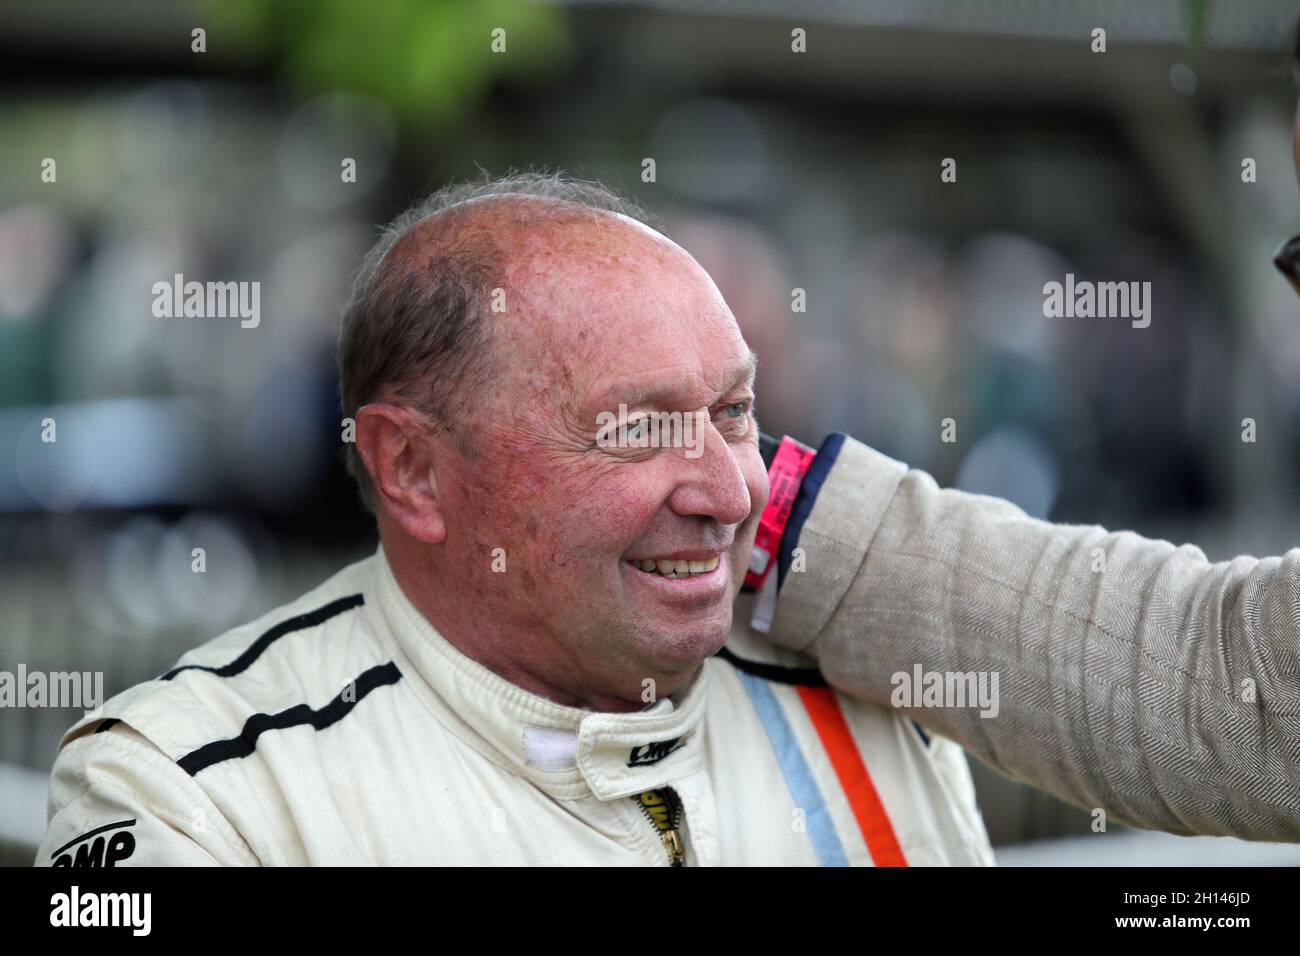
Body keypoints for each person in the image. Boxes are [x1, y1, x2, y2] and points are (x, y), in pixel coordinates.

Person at [35, 174, 994, 866]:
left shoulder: (876, 703)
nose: (730, 490)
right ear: (412, 469)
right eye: (638, 426)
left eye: (734, 413)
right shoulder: (194, 795)